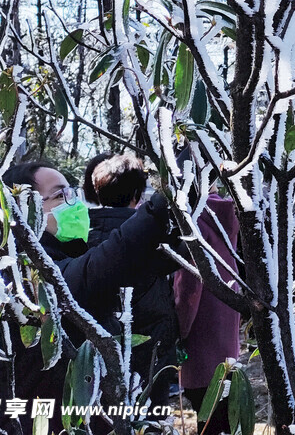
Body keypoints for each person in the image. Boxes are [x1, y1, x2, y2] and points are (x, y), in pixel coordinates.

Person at [0, 159, 175, 435]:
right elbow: (99, 266)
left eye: (72, 193)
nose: (74, 203)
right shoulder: (14, 276)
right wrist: (166, 197)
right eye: (60, 195)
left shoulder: (63, 257)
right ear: (21, 209)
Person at [87, 154, 179, 407]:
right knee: (150, 421)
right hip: (150, 357)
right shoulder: (154, 239)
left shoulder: (79, 236)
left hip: (97, 356)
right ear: (138, 194)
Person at [173, 188, 241, 433]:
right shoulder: (223, 215)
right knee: (223, 414)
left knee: (208, 415)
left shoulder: (194, 219)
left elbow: (189, 289)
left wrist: (177, 332)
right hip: (224, 332)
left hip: (201, 339)